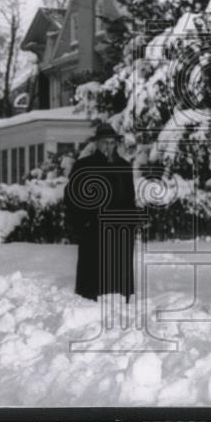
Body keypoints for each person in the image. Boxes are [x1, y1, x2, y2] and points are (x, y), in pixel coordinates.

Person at [63, 123, 137, 302]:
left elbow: (129, 198)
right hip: (93, 231)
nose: (109, 147)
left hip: (119, 231)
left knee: (118, 279)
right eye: (105, 142)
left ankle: (120, 308)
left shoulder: (123, 167)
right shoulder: (84, 166)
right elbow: (71, 198)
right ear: (97, 143)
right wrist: (83, 223)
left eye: (112, 143)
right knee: (93, 282)